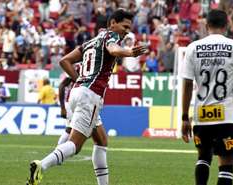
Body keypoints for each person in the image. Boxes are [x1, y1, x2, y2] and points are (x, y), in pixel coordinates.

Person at [27, 9, 147, 185]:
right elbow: (113, 50)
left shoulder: (91, 42)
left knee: (101, 141)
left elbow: (64, 61)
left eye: (129, 27)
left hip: (78, 92)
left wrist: (80, 81)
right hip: (90, 96)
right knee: (75, 145)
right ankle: (42, 165)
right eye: (125, 26)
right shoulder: (110, 36)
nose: (127, 30)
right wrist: (130, 52)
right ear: (112, 22)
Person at [181, 10, 233, 185]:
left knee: (203, 157)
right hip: (227, 116)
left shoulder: (193, 47)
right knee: (226, 167)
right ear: (227, 25)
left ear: (206, 25)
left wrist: (185, 117)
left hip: (201, 114)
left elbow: (186, 84)